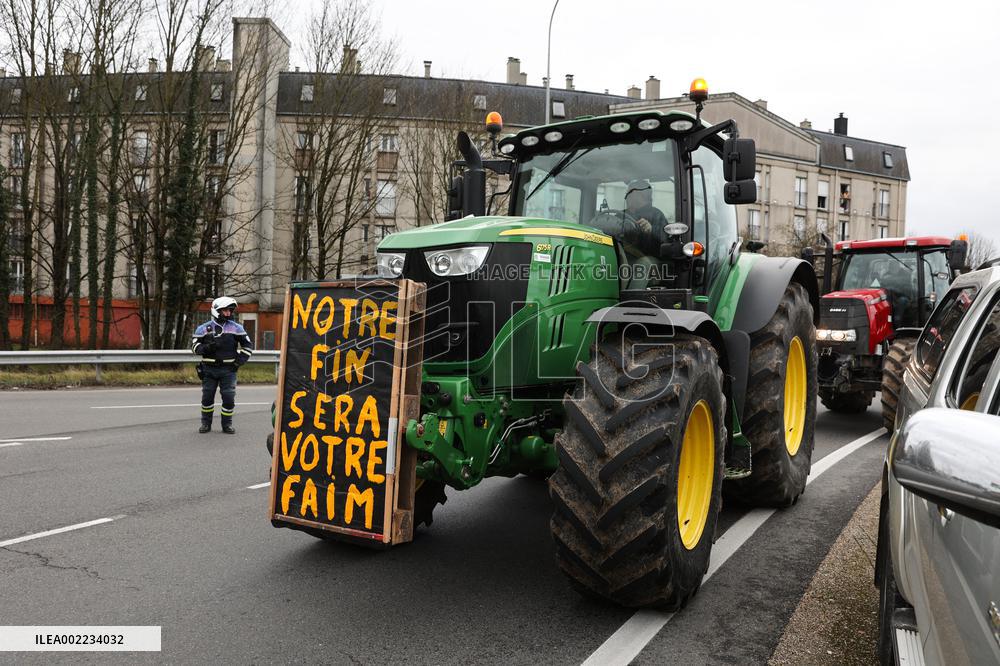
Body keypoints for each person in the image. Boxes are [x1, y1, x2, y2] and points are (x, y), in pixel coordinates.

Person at [191, 296, 254, 434]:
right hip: (209, 370)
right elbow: (194, 347)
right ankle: (206, 424)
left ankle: (227, 425)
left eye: (230, 311)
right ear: (216, 310)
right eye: (225, 310)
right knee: (207, 398)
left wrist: (238, 362)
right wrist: (207, 348)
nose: (228, 313)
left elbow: (248, 347)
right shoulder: (203, 328)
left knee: (229, 398)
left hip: (228, 370)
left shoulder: (237, 328)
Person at [622, 179, 669, 256]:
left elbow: (665, 239)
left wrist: (651, 230)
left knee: (644, 263)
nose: (626, 196)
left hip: (646, 257)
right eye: (627, 193)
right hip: (620, 254)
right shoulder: (621, 214)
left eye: (629, 193)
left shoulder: (656, 214)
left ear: (642, 195)